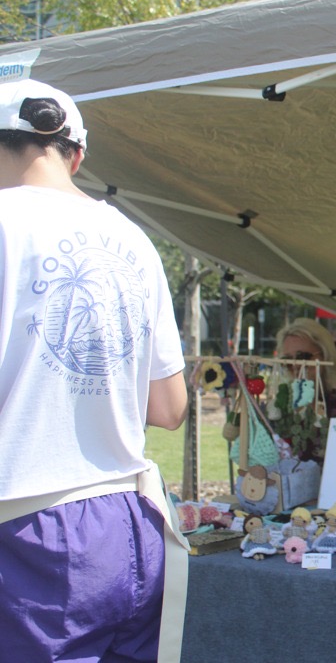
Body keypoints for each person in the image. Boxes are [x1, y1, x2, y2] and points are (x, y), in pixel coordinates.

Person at [0, 80, 189, 660]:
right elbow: (170, 407)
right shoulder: (134, 238)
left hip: (25, 528)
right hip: (127, 521)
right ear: (76, 155)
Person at [274, 317, 336, 460]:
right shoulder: (277, 410)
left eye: (303, 357)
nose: (295, 365)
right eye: (287, 360)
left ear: (325, 356)